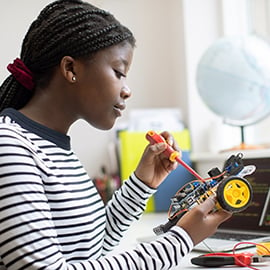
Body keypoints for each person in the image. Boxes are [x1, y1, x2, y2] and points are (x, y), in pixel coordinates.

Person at [0, 0, 232, 269]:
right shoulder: (10, 147)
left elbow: (92, 247)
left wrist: (142, 183)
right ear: (71, 69)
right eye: (119, 73)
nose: (127, 90)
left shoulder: (55, 148)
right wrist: (181, 239)